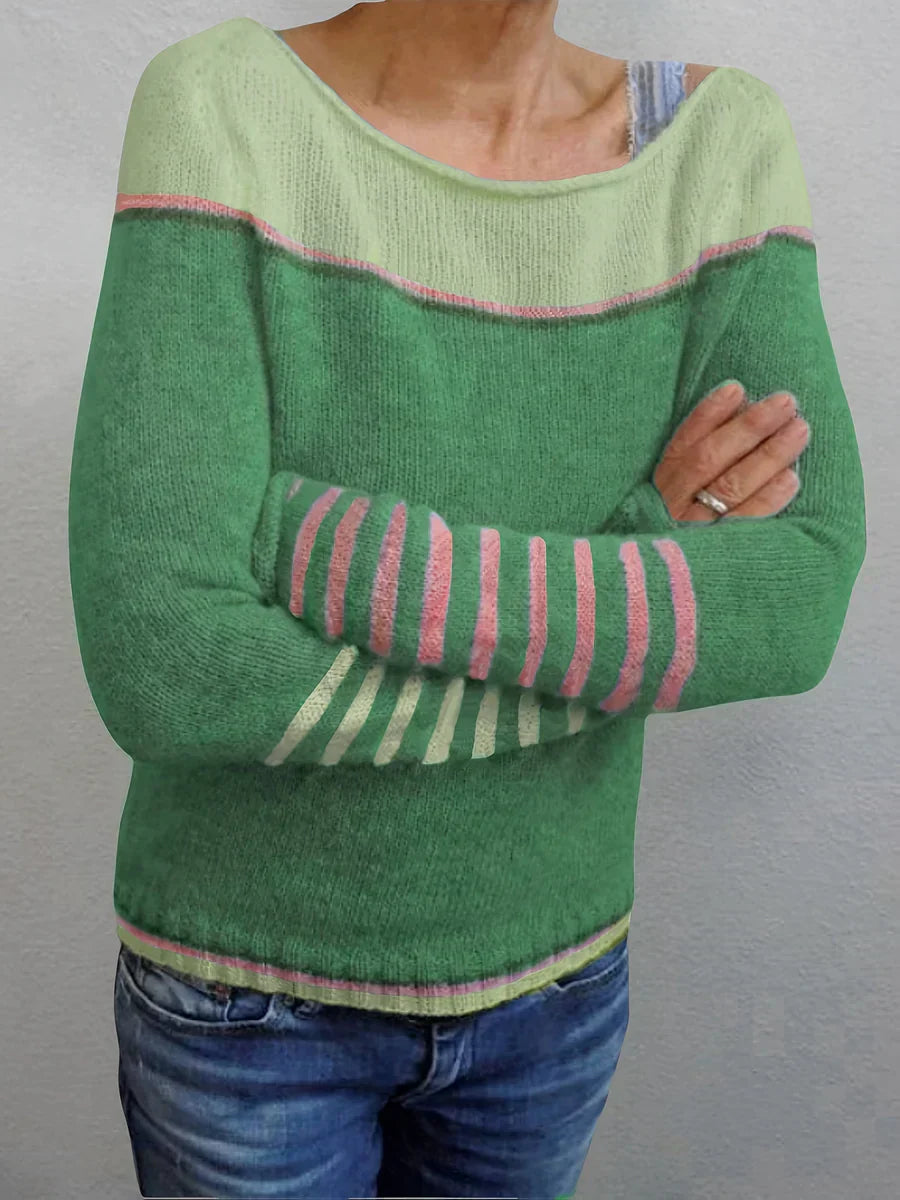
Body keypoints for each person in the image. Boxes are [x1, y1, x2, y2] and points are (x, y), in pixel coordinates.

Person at [67, 3, 866, 1197]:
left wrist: (325, 544)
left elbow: (797, 598)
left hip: (556, 991)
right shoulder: (223, 104)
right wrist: (633, 581)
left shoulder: (715, 146)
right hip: (244, 1000)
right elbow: (167, 663)